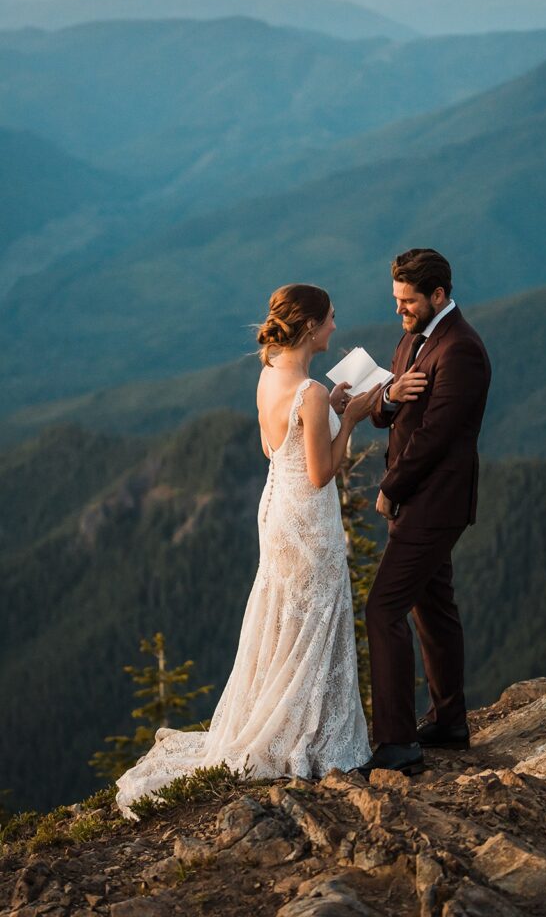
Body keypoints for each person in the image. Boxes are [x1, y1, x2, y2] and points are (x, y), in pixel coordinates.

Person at [115, 283, 378, 819]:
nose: (335, 325)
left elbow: (272, 447)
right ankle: (308, 737)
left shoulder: (270, 377)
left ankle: (279, 722)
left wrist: (333, 410)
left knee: (286, 618)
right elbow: (322, 473)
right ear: (309, 327)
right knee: (314, 618)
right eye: (329, 318)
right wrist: (349, 419)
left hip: (278, 514)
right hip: (308, 522)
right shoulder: (309, 390)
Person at [359, 248, 491, 778]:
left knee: (382, 609)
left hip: (434, 502)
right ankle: (449, 722)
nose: (399, 310)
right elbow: (392, 413)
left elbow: (438, 435)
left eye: (408, 300)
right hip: (420, 498)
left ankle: (397, 743)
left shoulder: (461, 350)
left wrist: (391, 487)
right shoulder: (416, 338)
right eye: (396, 299)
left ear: (438, 294)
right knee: (432, 607)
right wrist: (387, 397)